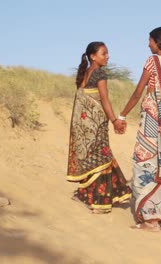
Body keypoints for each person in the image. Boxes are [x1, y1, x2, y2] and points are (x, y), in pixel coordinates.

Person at [119, 27, 161, 231]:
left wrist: (122, 115)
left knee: (144, 164)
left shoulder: (152, 62)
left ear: (157, 42)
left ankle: (150, 220)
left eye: (150, 40)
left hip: (152, 124)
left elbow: (139, 92)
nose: (148, 44)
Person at [66, 41, 131, 214]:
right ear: (93, 57)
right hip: (96, 127)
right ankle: (99, 202)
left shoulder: (85, 73)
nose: (108, 56)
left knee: (93, 159)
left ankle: (84, 194)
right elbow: (104, 100)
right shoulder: (99, 74)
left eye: (107, 53)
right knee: (102, 159)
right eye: (104, 53)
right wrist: (115, 120)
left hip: (83, 128)